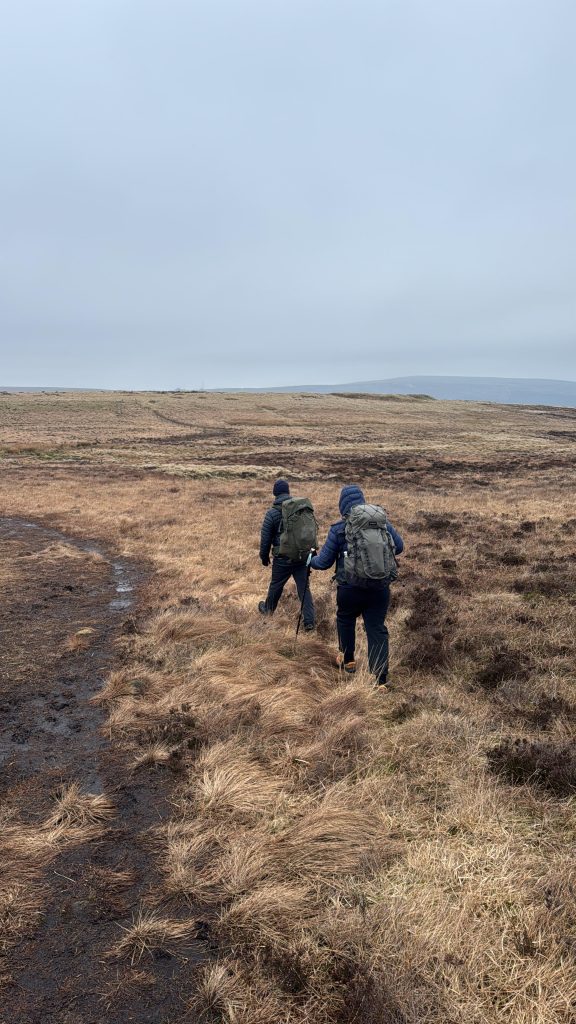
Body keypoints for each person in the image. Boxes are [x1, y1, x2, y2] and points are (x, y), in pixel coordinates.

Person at [309, 485, 403, 688]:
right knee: (376, 629)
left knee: (345, 619)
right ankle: (380, 681)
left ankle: (348, 660)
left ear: (342, 506)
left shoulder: (338, 529)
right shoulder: (381, 523)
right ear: (363, 501)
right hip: (379, 588)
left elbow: (323, 562)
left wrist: (310, 559)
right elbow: (400, 546)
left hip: (349, 588)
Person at [258, 479, 315, 631]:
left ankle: (268, 610)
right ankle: (309, 622)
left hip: (282, 559)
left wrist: (264, 557)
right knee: (304, 589)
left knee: (276, 585)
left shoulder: (272, 513)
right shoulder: (299, 509)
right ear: (288, 492)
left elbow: (265, 540)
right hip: (301, 557)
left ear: (275, 493)